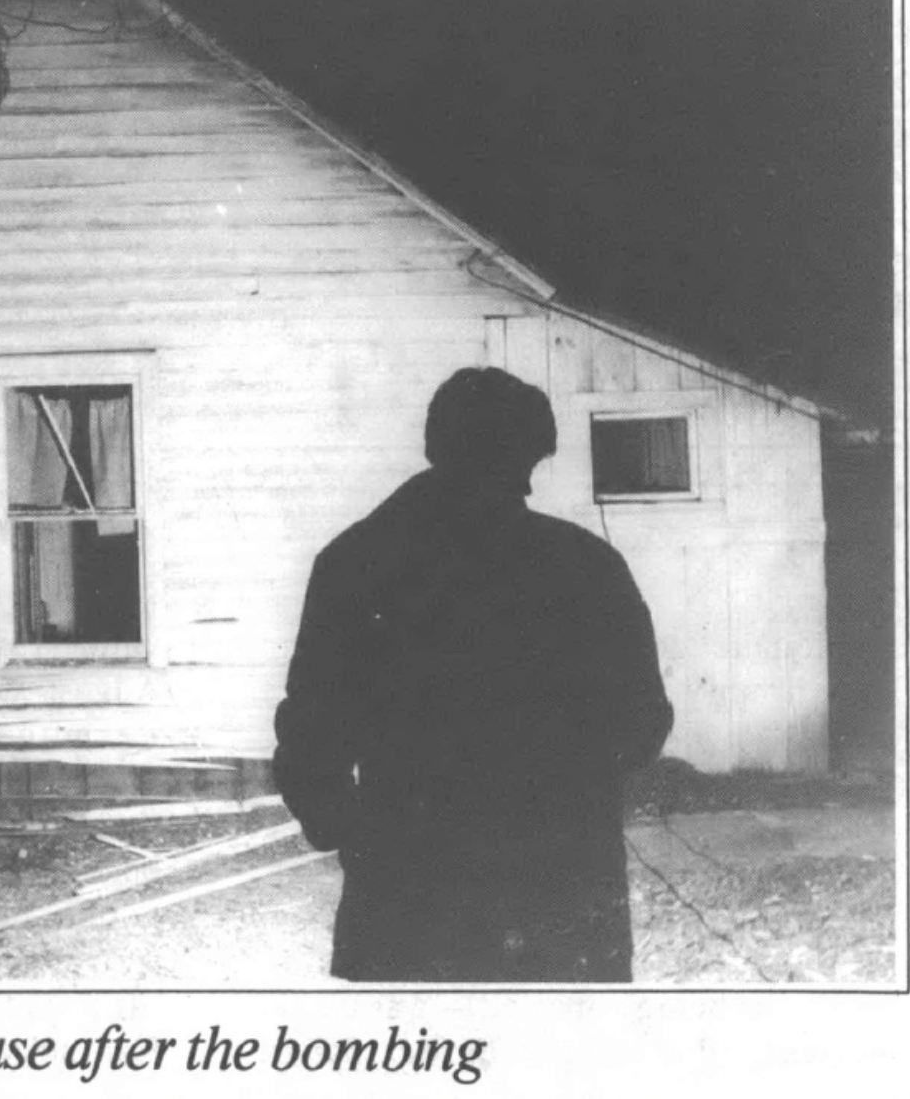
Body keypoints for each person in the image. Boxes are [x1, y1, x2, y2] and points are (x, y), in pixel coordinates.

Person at [273, 366, 674, 982]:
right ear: (529, 456)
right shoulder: (586, 568)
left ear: (437, 446)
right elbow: (644, 726)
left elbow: (310, 739)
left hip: (409, 901)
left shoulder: (355, 563)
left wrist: (357, 840)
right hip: (558, 897)